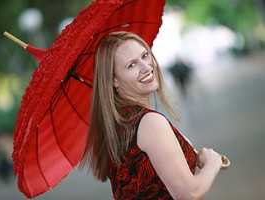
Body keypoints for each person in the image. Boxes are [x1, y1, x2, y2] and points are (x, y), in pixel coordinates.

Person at [80, 31, 223, 199]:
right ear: (113, 80)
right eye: (132, 65)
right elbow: (190, 194)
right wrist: (212, 164)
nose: (147, 67)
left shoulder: (115, 127)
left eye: (145, 55)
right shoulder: (149, 123)